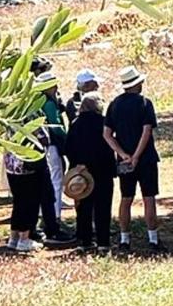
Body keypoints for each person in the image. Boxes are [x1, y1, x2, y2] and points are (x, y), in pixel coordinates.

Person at [103, 66, 164, 253]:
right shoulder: (145, 103)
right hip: (146, 159)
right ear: (136, 84)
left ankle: (124, 239)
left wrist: (123, 154)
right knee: (149, 198)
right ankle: (153, 239)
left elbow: (107, 134)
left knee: (126, 198)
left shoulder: (114, 105)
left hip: (124, 161)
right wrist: (137, 156)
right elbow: (147, 131)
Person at [66, 92, 116, 253]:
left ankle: (85, 240)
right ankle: (103, 242)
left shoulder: (75, 123)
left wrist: (77, 164)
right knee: (103, 207)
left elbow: (68, 148)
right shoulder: (104, 122)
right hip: (103, 170)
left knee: (84, 207)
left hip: (82, 172)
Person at [3, 126, 52, 253]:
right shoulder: (30, 118)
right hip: (27, 165)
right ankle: (24, 239)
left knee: (18, 201)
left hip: (12, 164)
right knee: (30, 202)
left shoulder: (11, 118)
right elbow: (44, 138)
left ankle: (14, 237)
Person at [37, 71, 67, 219]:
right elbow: (56, 126)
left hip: (42, 145)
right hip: (52, 145)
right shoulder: (49, 103)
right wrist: (67, 138)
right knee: (56, 179)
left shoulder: (39, 101)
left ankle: (44, 213)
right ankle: (55, 215)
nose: (56, 88)